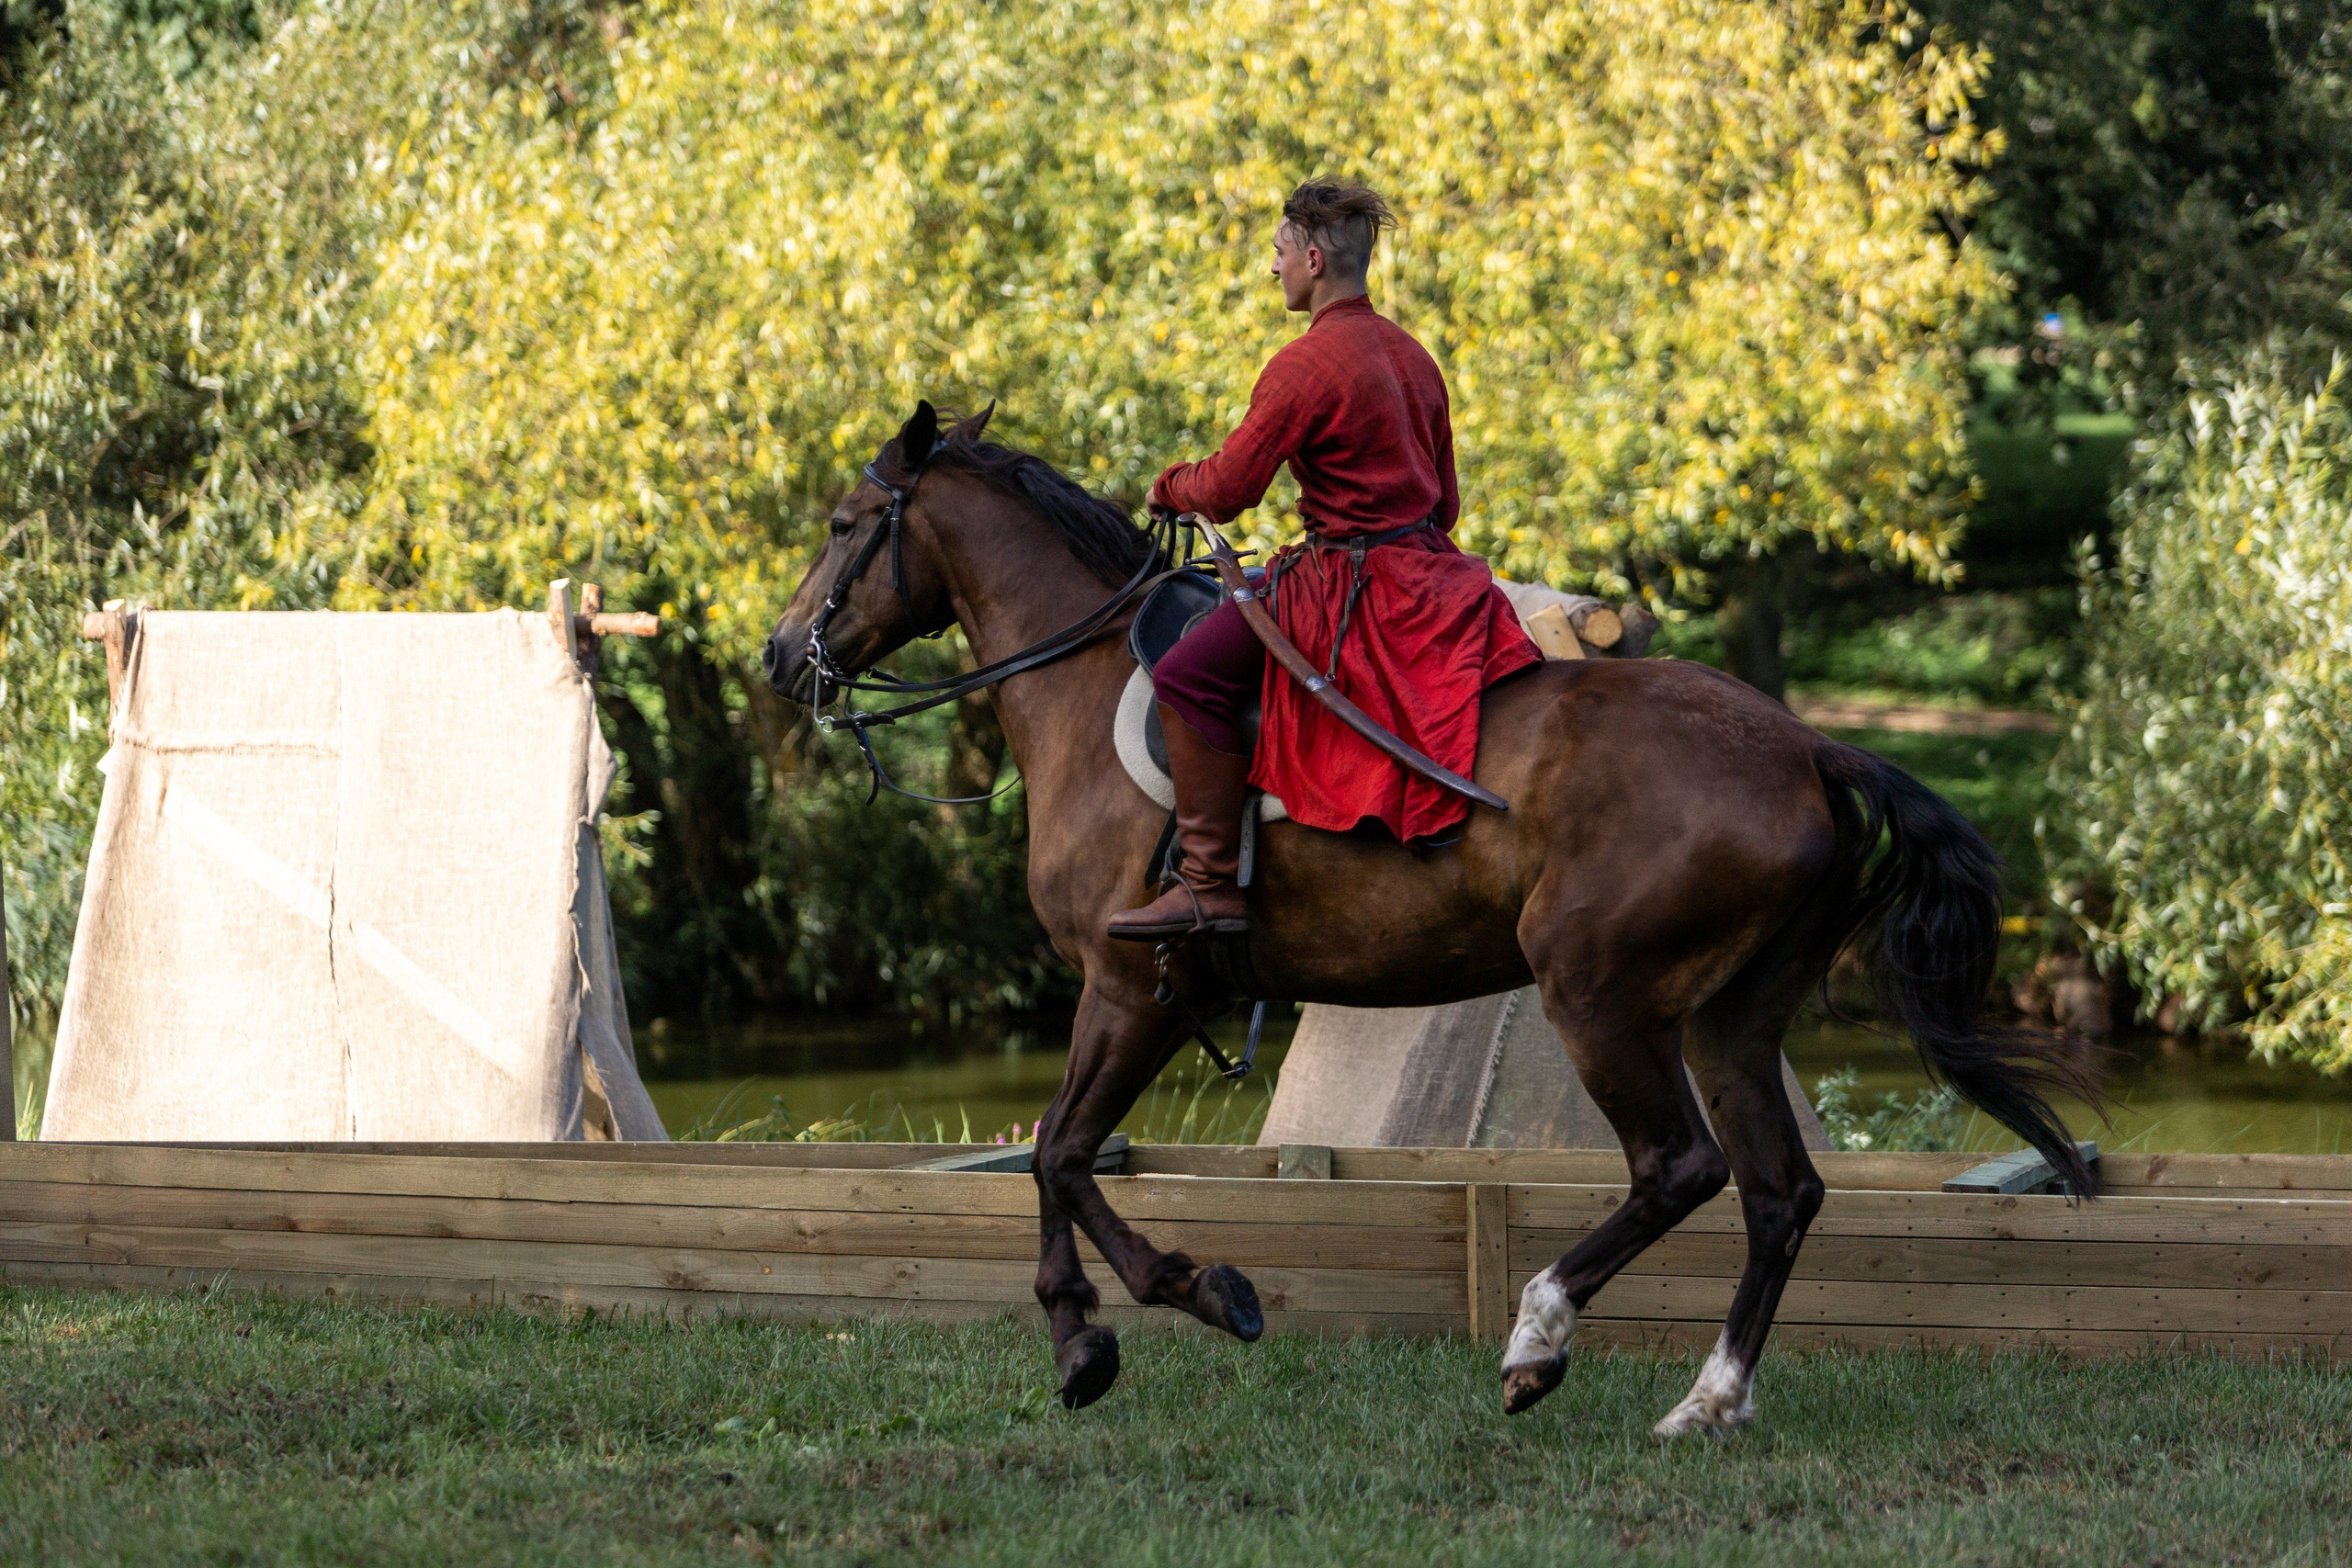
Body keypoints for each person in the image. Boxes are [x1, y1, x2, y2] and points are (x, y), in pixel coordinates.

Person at [1107, 179, 1542, 942]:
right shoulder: (1415, 357)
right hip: (1435, 576)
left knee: (1183, 675)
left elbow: (1230, 487)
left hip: (1351, 586)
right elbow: (1444, 505)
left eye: (1278, 253)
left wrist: (1169, 487)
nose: (1272, 269)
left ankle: (1208, 883)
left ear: (1311, 259)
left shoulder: (1303, 367)